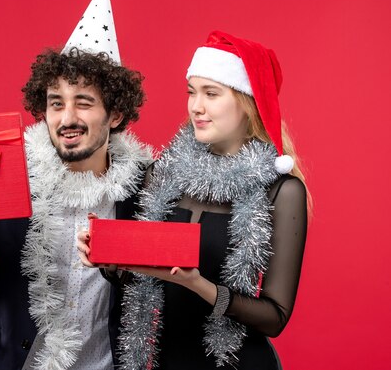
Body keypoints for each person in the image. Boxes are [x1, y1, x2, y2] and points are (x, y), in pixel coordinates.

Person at [0, 0, 153, 370]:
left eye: (84, 103)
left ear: (115, 115)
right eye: (56, 104)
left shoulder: (145, 186)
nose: (67, 119)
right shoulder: (3, 168)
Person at [78, 31, 309, 369]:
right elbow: (145, 282)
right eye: (192, 92)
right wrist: (108, 257)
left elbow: (275, 317)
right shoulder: (163, 173)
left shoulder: (281, 190)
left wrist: (199, 285)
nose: (196, 106)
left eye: (211, 94)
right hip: (162, 361)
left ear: (248, 103)